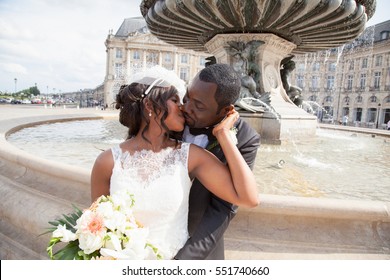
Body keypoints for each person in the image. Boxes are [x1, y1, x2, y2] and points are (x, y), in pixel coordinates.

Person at [90, 76, 259, 260]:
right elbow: (98, 227)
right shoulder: (106, 162)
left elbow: (249, 198)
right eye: (176, 100)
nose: (183, 108)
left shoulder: (191, 156)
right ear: (149, 106)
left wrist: (223, 133)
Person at [174, 64, 261, 260]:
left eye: (198, 105)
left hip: (199, 250)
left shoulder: (246, 139)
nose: (186, 108)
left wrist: (184, 261)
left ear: (225, 111)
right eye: (188, 96)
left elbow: (224, 208)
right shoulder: (172, 115)